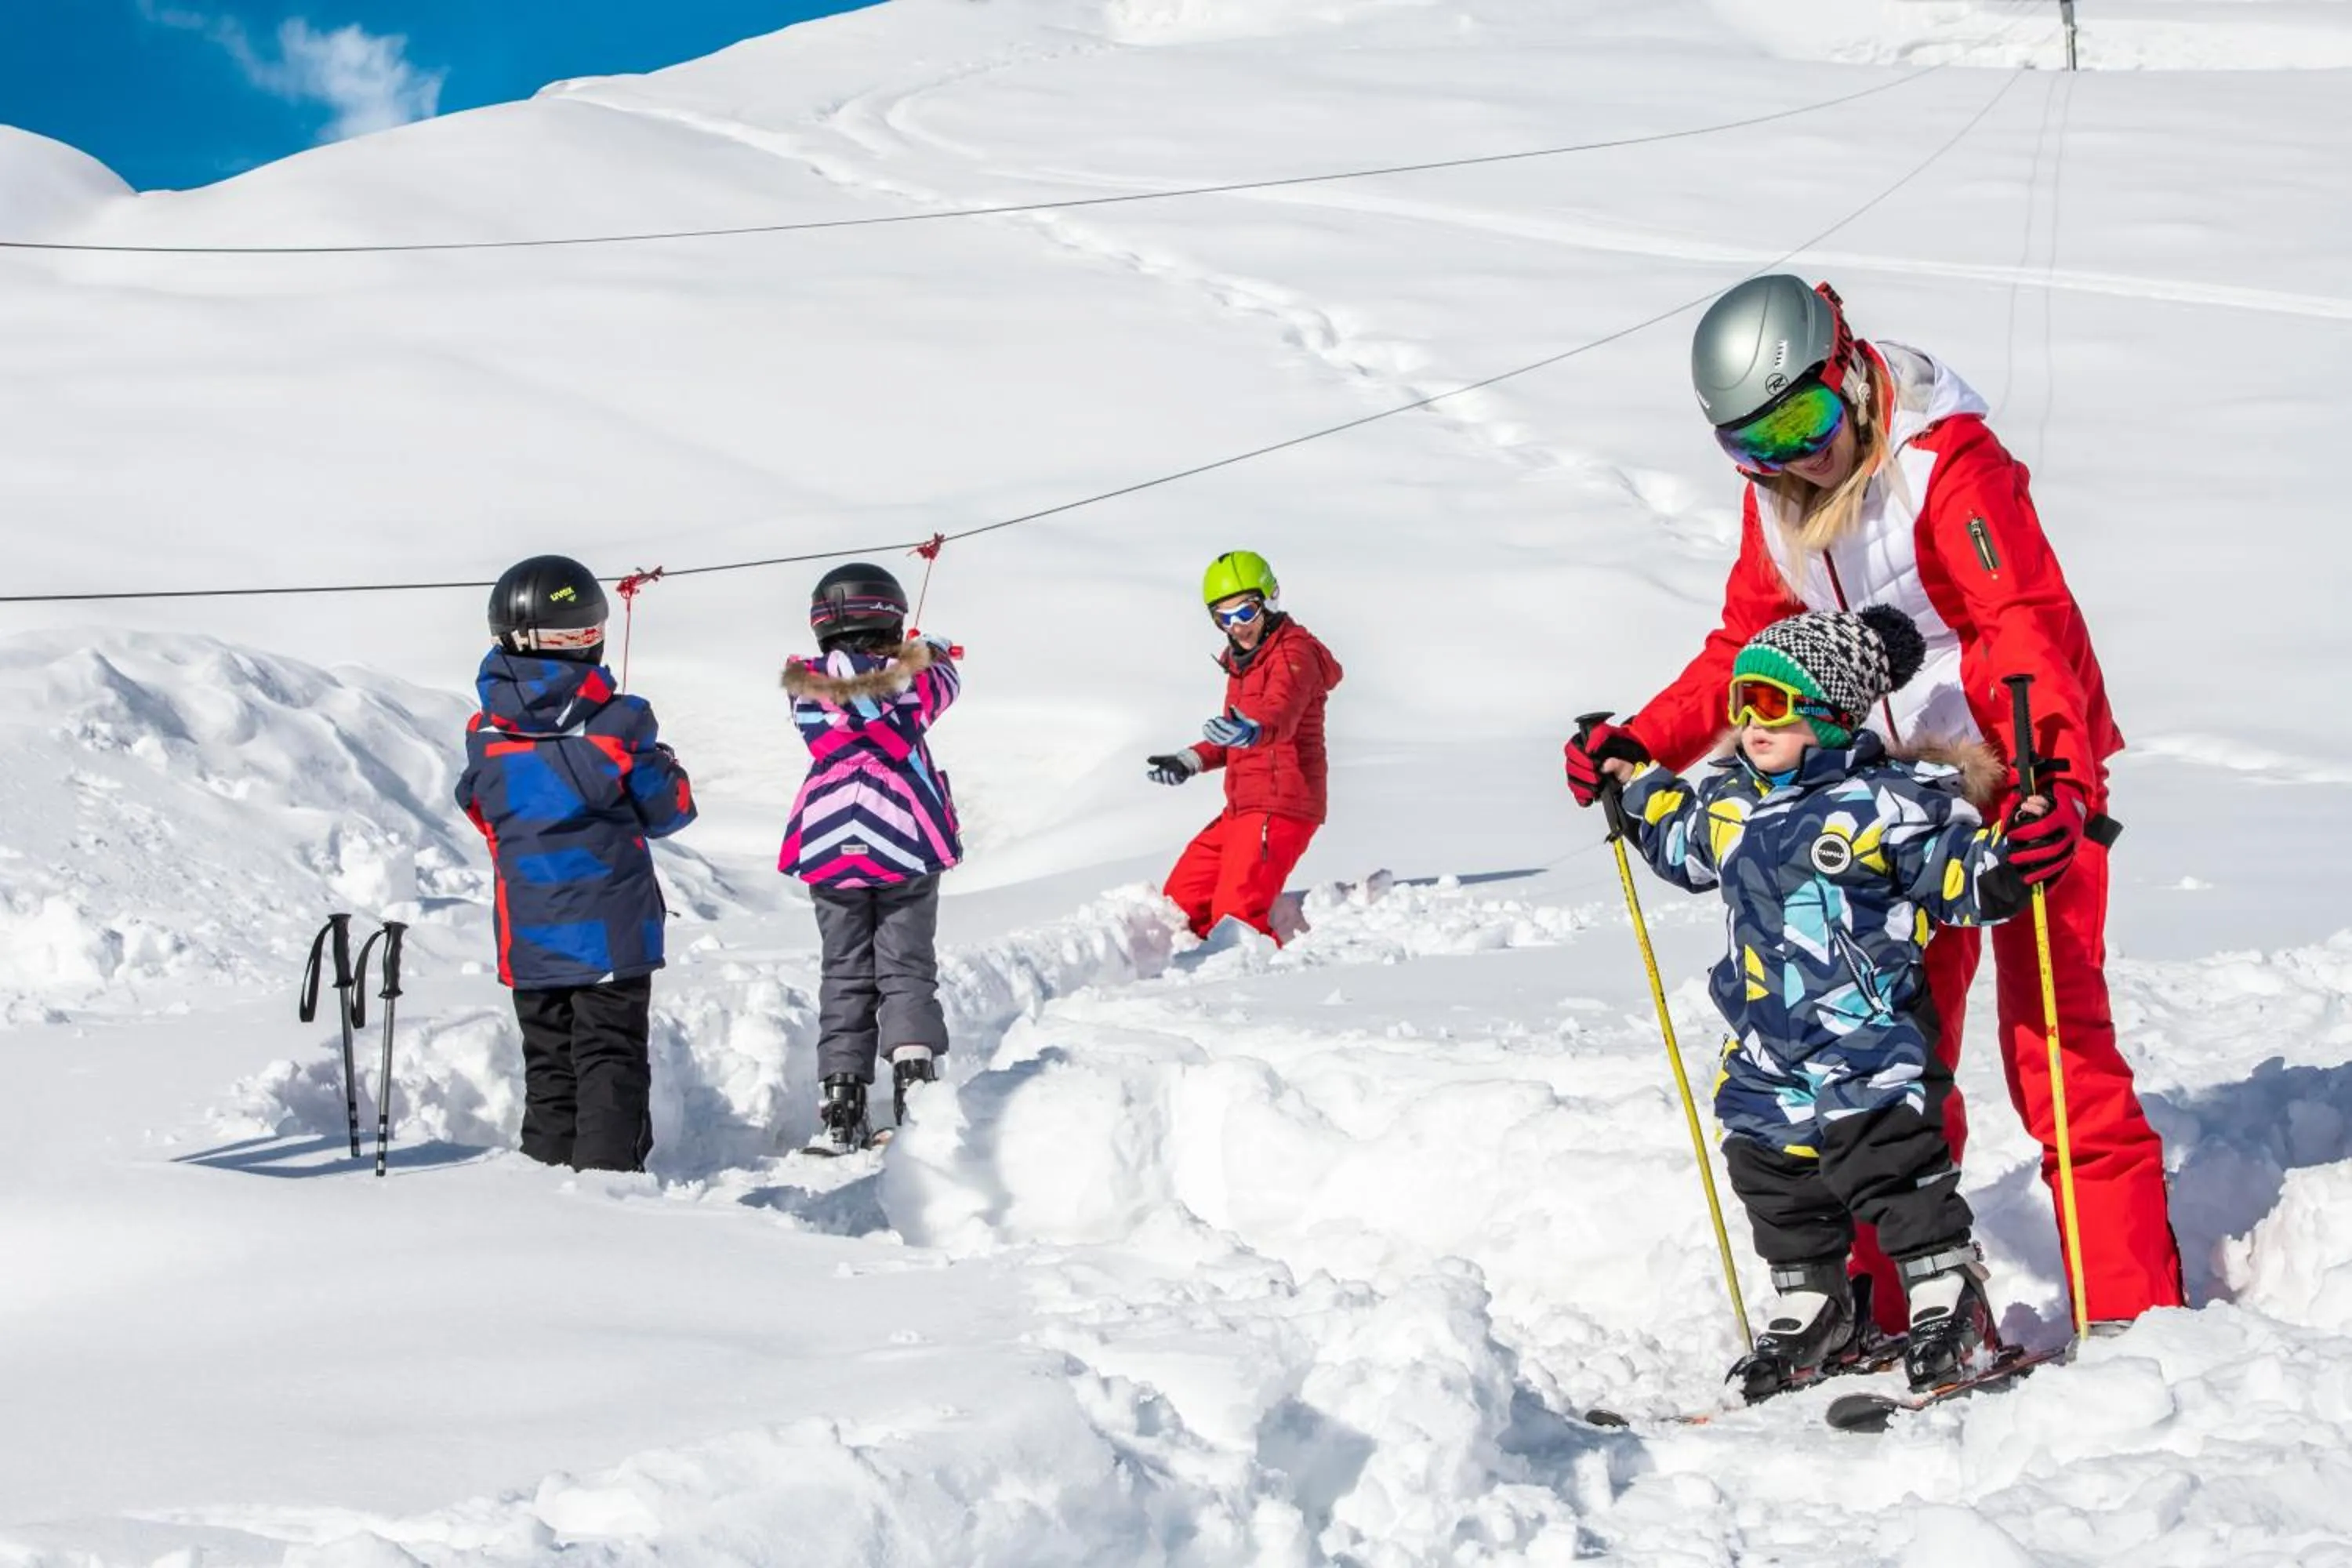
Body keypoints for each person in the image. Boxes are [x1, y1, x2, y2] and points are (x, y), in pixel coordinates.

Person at [1564, 275, 2184, 1332]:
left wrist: (2056, 786)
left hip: (2020, 782)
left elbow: (2018, 624)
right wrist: (1642, 741)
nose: (1796, 460)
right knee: (1884, 1052)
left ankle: (2133, 1314)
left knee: (2054, 1040)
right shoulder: (1783, 505)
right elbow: (1744, 650)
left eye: (1804, 423)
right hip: (1883, 804)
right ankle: (1899, 1303)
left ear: (1844, 369)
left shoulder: (1948, 466)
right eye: (1755, 447)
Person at [1605, 604, 2076, 1396]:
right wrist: (1627, 782)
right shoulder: (1729, 802)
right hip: (1768, 1040)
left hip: (1866, 1037)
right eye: (1742, 702)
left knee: (1890, 1166)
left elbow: (1956, 875)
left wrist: (2011, 856)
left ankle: (1946, 1296)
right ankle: (1813, 1302)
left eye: (1771, 705)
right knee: (1768, 1167)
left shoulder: (1887, 804)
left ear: (1826, 716)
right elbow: (1678, 838)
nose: (1750, 723)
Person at [456, 554, 697, 1173]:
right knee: (609, 1061)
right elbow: (669, 811)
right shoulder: (620, 722)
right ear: (588, 636)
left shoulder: (484, 731)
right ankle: (608, 1195)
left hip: (529, 931)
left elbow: (479, 806)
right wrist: (663, 764)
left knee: (550, 1071)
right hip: (611, 934)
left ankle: (545, 1199)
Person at [779, 561, 962, 1156]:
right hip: (903, 838)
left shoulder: (807, 691)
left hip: (830, 842)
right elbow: (943, 682)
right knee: (905, 968)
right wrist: (928, 650)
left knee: (845, 972)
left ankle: (841, 1105)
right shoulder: (910, 684)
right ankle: (914, 1092)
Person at [1145, 550, 1343, 942]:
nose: (1236, 626)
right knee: (1181, 903)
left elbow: (1278, 717)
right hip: (1243, 806)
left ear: (1270, 600)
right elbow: (1235, 734)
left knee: (1236, 918)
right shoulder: (1243, 661)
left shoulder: (1292, 653)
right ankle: (1191, 973)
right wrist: (1190, 760)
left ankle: (1251, 984)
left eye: (1245, 612)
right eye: (1224, 616)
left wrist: (1252, 730)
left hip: (1281, 804)